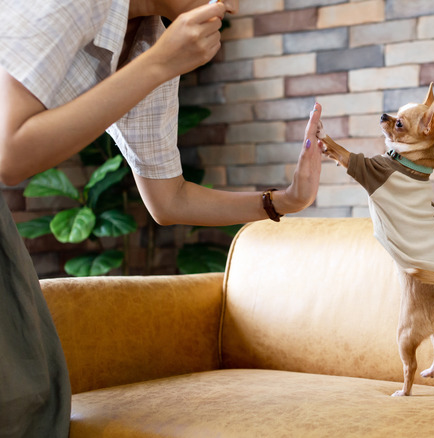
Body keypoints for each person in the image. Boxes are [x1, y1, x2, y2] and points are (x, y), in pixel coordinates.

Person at [0, 0, 323, 435]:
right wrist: (158, 63)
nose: (234, 4)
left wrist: (283, 201)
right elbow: (10, 153)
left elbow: (169, 199)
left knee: (30, 400)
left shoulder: (151, 40)